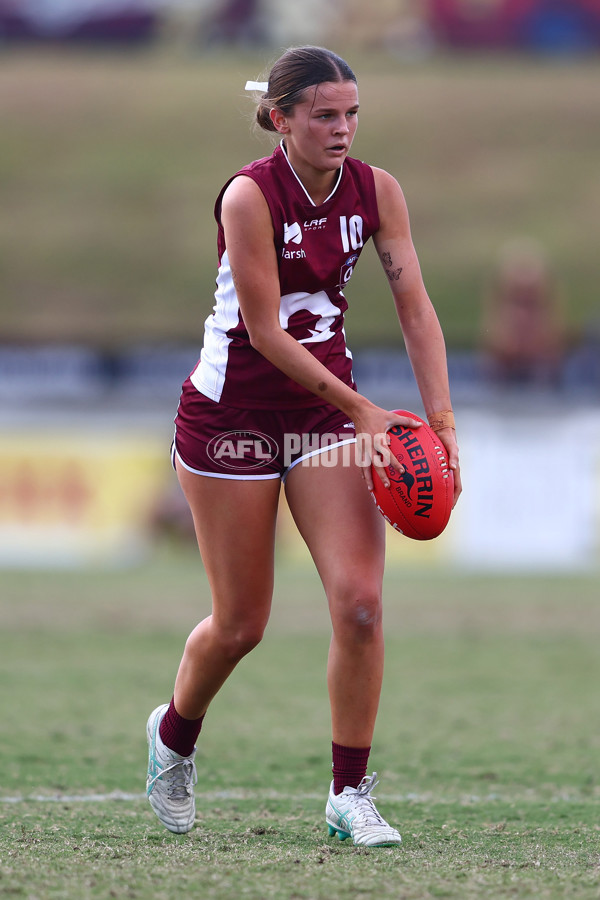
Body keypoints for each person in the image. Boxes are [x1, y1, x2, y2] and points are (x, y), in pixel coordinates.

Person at [146, 45, 461, 848]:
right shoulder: (250, 197)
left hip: (325, 421)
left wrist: (443, 426)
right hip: (235, 418)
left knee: (360, 604)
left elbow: (417, 309)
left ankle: (349, 794)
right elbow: (264, 333)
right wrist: (366, 411)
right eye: (324, 114)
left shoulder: (376, 191)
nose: (343, 129)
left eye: (352, 113)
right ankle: (174, 737)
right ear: (281, 118)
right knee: (241, 623)